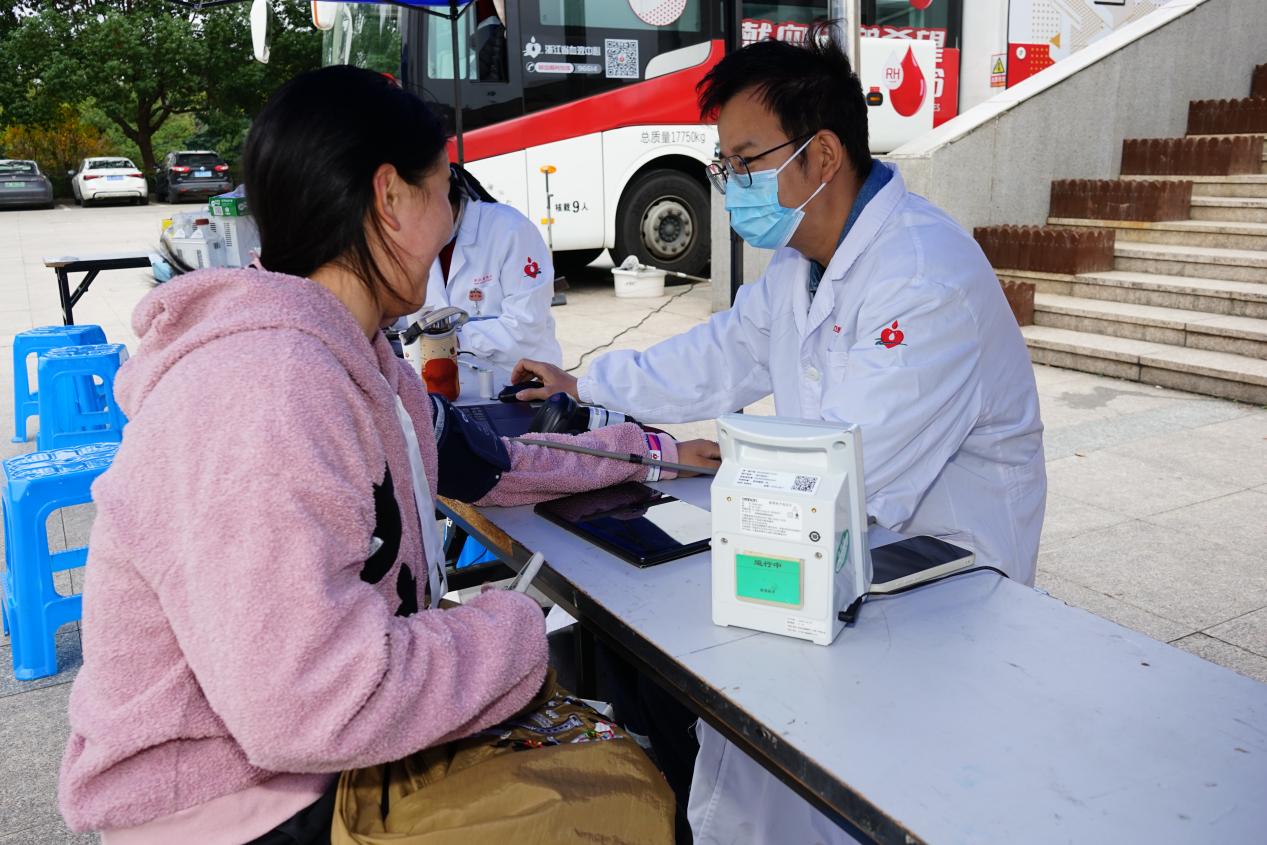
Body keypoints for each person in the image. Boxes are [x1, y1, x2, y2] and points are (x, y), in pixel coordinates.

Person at [58, 65, 716, 844]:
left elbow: (489, 460)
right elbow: (308, 703)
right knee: (621, 811)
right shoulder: (266, 389)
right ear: (391, 198)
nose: (450, 222)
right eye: (445, 190)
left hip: (309, 763)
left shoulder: (354, 357)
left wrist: (647, 453)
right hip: (235, 808)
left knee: (615, 784)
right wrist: (511, 629)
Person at [513, 30, 1046, 844]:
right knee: (691, 693)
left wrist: (711, 468)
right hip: (839, 562)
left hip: (943, 578)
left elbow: (850, 460)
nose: (730, 183)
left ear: (821, 154)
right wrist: (588, 386)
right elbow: (720, 353)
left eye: (746, 161)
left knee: (863, 789)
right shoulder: (802, 262)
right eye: (724, 164)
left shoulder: (924, 274)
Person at [399, 163, 562, 372]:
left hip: (519, 375)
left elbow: (526, 324)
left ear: (443, 201)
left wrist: (448, 340)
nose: (414, 230)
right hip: (447, 376)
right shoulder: (416, 242)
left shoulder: (511, 230)